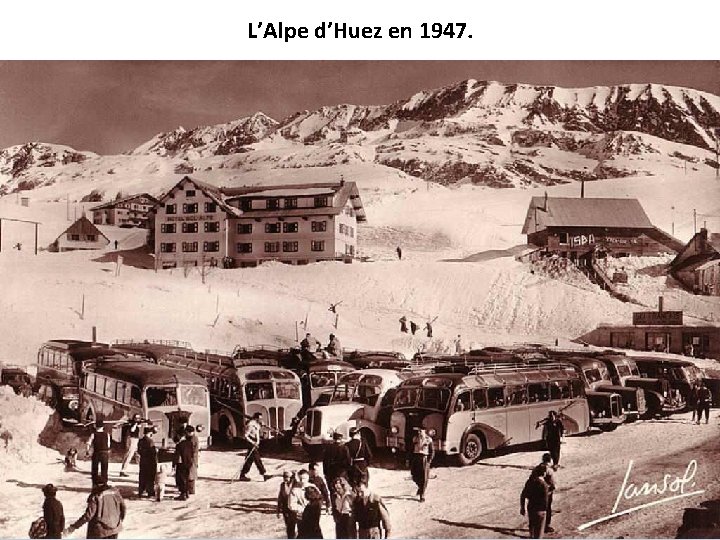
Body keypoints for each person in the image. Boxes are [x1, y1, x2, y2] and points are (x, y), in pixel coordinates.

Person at [237, 412, 270, 481]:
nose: (260, 420)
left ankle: (242, 475)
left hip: (255, 442)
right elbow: (245, 435)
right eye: (259, 418)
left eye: (261, 418)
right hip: (251, 442)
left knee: (249, 460)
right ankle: (264, 474)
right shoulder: (251, 425)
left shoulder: (257, 424)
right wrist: (253, 443)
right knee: (257, 459)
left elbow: (259, 431)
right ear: (256, 418)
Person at [520, 465, 550, 539]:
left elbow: (523, 495)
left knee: (532, 532)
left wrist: (522, 508)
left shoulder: (530, 481)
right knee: (539, 535)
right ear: (543, 473)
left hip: (531, 508)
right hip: (540, 511)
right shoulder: (544, 485)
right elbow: (546, 501)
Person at [410, 427, 434, 502]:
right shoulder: (415, 439)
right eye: (418, 431)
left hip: (424, 458)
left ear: (424, 431)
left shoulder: (428, 439)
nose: (419, 432)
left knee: (424, 477)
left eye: (421, 431)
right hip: (416, 458)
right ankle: (420, 488)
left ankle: (422, 495)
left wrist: (429, 460)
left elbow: (432, 451)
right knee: (414, 475)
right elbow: (411, 449)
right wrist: (409, 459)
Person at [86, 418, 111, 486]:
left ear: (95, 426)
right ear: (103, 427)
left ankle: (94, 483)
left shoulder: (93, 434)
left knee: (95, 469)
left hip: (97, 452)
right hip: (105, 453)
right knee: (104, 469)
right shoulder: (107, 434)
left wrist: (87, 451)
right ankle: (104, 483)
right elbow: (108, 444)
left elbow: (88, 443)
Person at [137, 425, 158, 498]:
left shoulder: (141, 440)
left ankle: (141, 491)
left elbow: (139, 450)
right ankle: (150, 492)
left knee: (142, 476)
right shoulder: (150, 441)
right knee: (150, 477)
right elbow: (153, 452)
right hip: (150, 461)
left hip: (143, 461)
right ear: (150, 433)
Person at [173, 430, 193, 500]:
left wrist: (174, 464)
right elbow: (192, 454)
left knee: (180, 479)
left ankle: (183, 494)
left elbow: (177, 456)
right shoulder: (190, 443)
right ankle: (187, 492)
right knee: (186, 478)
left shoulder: (179, 445)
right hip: (188, 463)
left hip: (181, 464)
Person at [538, 453, 556, 534]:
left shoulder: (538, 467)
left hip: (538, 491)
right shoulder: (549, 470)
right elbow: (552, 482)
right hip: (547, 492)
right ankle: (546, 526)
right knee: (547, 508)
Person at [277, 471, 297, 539]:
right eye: (284, 476)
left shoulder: (295, 484)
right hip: (285, 508)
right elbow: (280, 498)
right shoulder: (282, 485)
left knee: (293, 525)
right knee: (288, 526)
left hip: (293, 508)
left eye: (287, 477)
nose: (285, 478)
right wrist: (278, 510)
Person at [184, 425, 200, 496]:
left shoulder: (193, 439)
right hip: (192, 458)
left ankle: (191, 489)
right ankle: (190, 489)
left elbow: (192, 450)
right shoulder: (193, 438)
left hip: (192, 458)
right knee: (190, 474)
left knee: (191, 474)